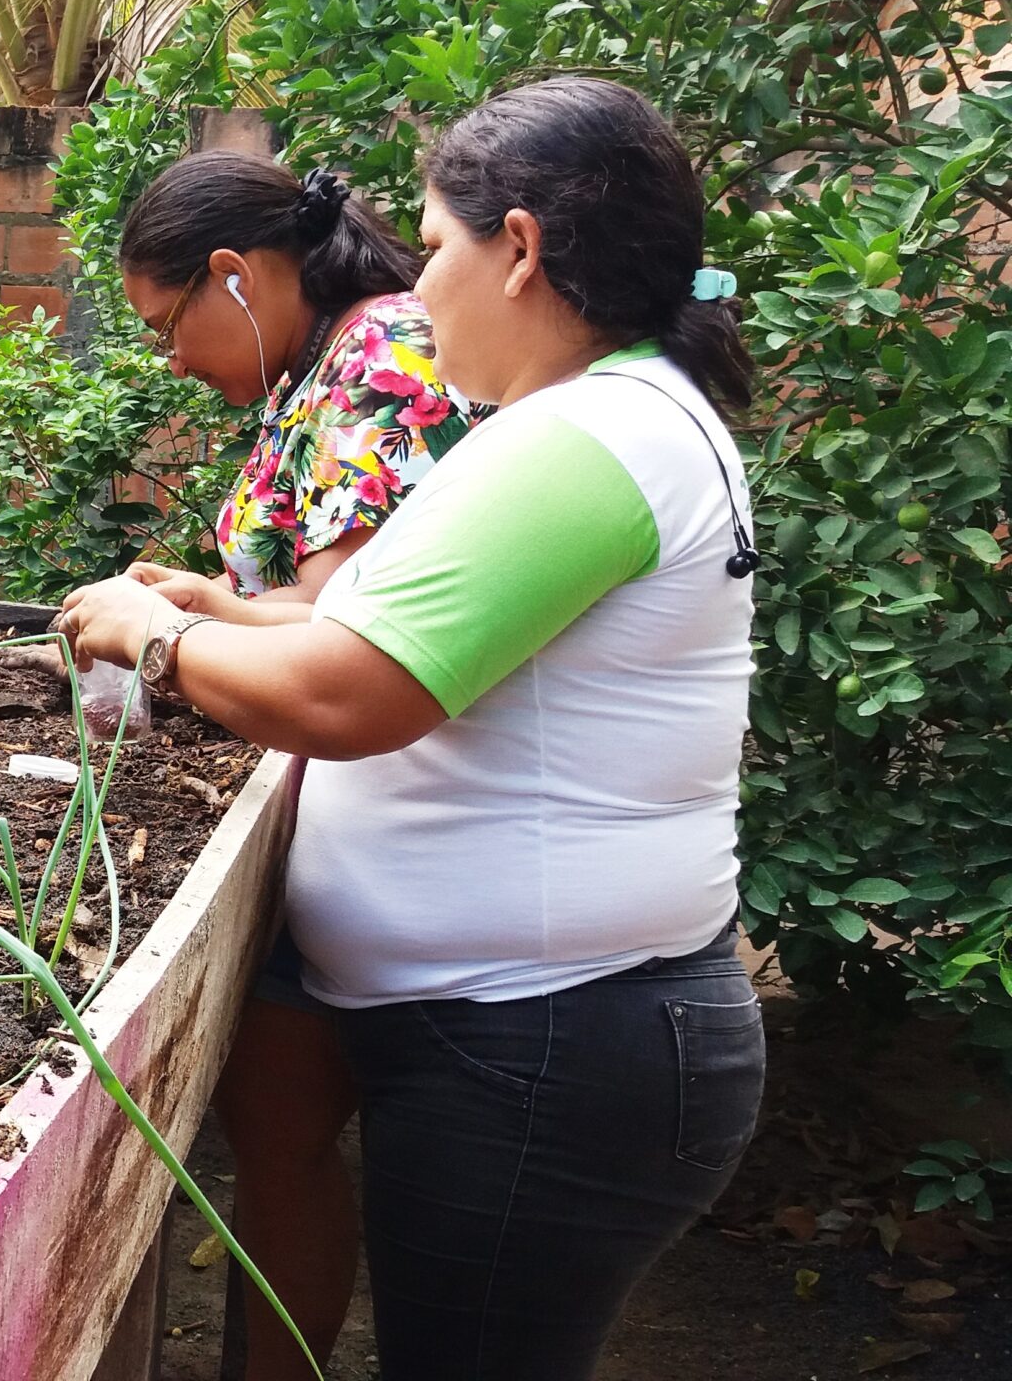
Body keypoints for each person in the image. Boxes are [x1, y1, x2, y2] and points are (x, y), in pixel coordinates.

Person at [55, 76, 766, 1379]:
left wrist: (159, 638)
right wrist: (220, 611)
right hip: (521, 1028)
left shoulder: (594, 441)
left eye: (436, 247)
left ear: (522, 249)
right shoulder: (587, 425)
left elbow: (349, 699)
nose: (416, 286)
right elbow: (373, 641)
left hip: (549, 1042)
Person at [108, 151, 472, 1381]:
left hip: (390, 822)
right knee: (273, 1137)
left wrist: (165, 636)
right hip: (317, 814)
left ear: (234, 276)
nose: (169, 362)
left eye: (168, 327)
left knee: (301, 1147)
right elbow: (322, 596)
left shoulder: (384, 358)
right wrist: (210, 596)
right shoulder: (318, 368)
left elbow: (345, 639)